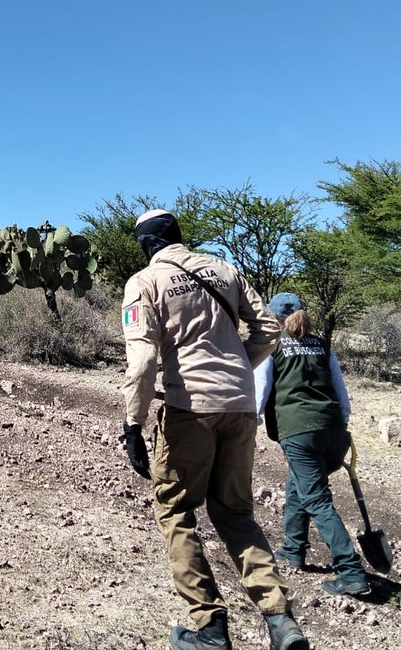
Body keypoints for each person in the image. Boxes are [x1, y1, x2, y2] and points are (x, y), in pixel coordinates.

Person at [121, 209, 308, 650]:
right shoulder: (226, 269)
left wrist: (134, 422)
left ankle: (209, 627)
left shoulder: (144, 283)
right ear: (178, 235)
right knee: (235, 512)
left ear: (146, 244)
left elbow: (144, 361)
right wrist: (237, 365)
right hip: (241, 406)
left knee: (176, 510)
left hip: (190, 408)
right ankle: (281, 622)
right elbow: (268, 329)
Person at [255, 293, 369, 597]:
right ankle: (293, 549)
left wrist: (249, 420)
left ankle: (351, 571)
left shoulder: (273, 346)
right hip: (334, 432)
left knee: (317, 500)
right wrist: (340, 423)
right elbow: (340, 391)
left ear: (274, 318)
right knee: (297, 486)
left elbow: (261, 390)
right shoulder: (323, 345)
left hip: (300, 434)